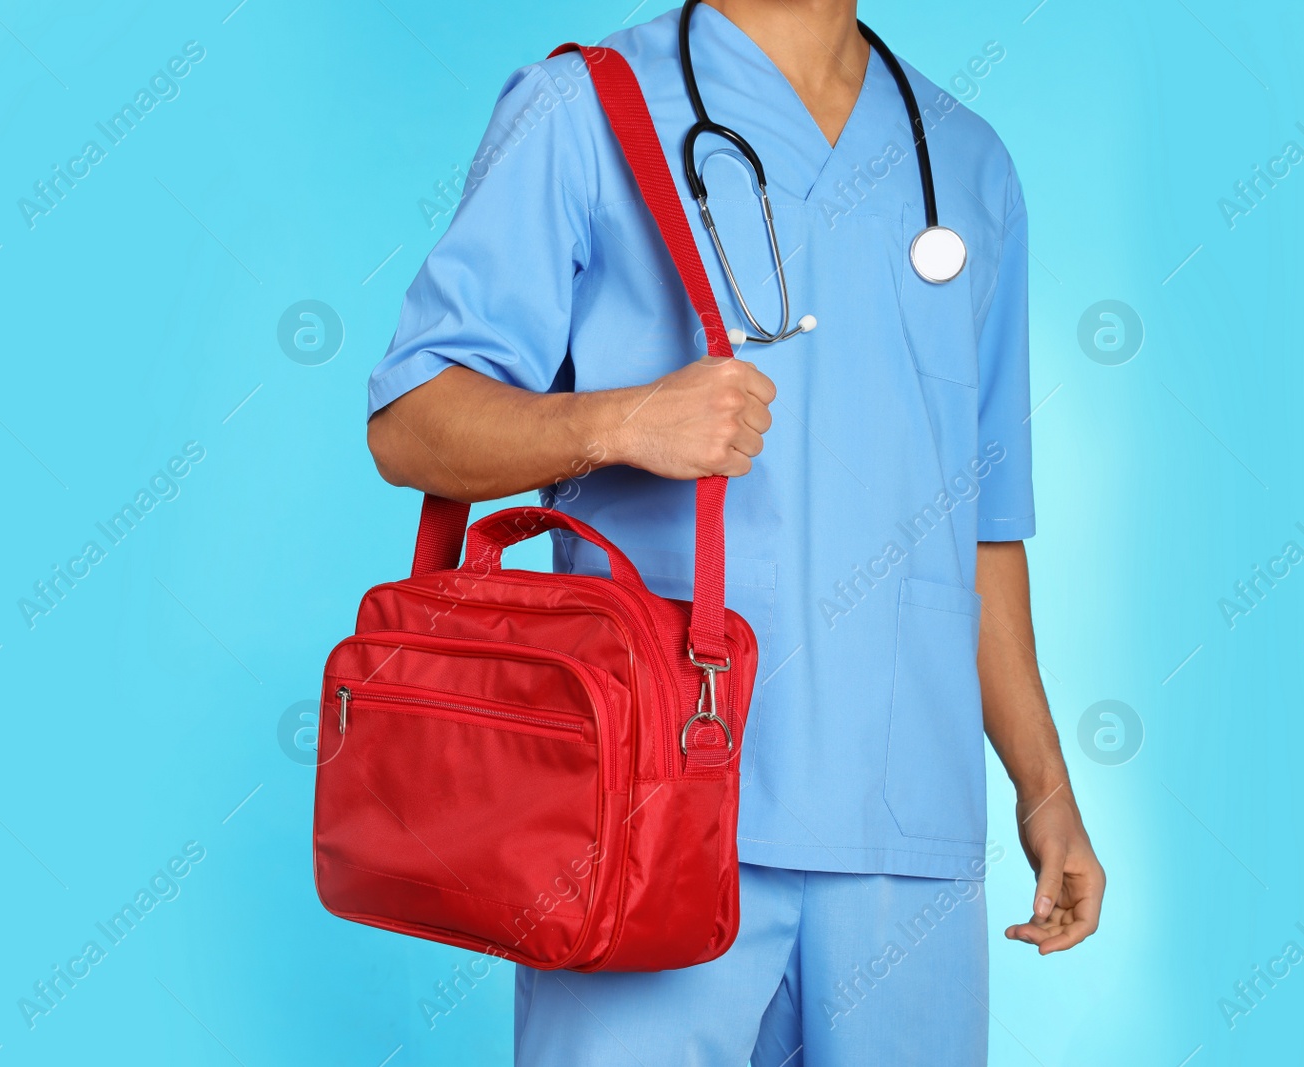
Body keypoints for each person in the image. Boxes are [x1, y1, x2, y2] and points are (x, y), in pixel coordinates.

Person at [365, 1, 1105, 1062]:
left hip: (908, 836)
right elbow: (410, 423)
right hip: (647, 814)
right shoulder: (582, 112)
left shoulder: (970, 166)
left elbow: (981, 524)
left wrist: (1045, 786)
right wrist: (618, 418)